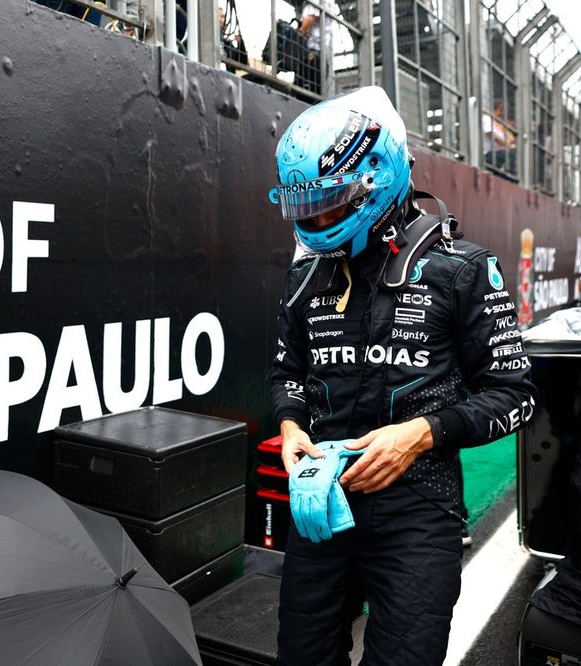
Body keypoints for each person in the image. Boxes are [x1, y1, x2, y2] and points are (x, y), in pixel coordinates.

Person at [268, 85, 537, 665]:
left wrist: (421, 434)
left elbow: (515, 396)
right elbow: (288, 371)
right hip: (321, 503)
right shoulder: (304, 276)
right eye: (303, 206)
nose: (315, 220)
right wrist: (291, 426)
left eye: (331, 204)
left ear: (378, 178)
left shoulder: (463, 269)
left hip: (419, 512)